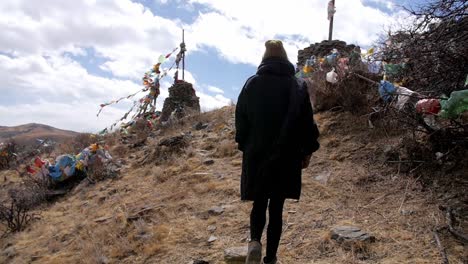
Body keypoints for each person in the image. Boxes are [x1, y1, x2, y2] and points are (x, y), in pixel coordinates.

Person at [235, 40, 320, 264]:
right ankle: (271, 258)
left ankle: (254, 241)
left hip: (257, 153)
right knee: (277, 207)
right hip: (287, 155)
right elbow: (307, 124)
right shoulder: (298, 86)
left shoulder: (251, 83)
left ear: (265, 57)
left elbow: (240, 119)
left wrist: (245, 145)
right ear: (285, 58)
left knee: (259, 201)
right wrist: (308, 150)